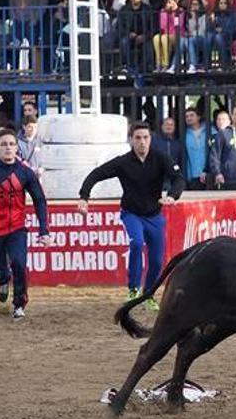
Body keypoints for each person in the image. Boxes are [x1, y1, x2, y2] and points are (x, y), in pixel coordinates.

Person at [78, 122, 184, 311]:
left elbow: (178, 178)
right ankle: (133, 289)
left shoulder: (160, 158)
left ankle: (149, 294)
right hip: (131, 213)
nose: (142, 142)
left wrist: (172, 195)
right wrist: (84, 197)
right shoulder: (123, 162)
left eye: (145, 138)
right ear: (131, 141)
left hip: (154, 215)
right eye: (138, 138)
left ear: (150, 139)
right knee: (136, 243)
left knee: (158, 260)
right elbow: (96, 174)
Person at [0, 130, 51, 321]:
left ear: (17, 147)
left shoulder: (25, 171)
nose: (8, 148)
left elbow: (39, 199)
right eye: (4, 144)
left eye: (11, 144)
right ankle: (2, 281)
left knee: (19, 263)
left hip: (16, 227)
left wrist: (44, 229)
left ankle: (19, 305)